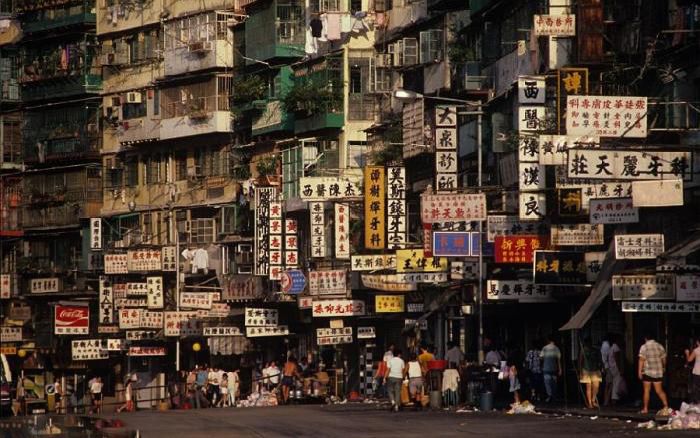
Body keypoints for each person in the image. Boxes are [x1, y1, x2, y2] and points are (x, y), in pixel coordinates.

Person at [638, 332, 670, 415]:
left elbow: (641, 360)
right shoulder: (660, 346)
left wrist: (639, 372)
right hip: (658, 372)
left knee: (646, 390)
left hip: (648, 372)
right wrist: (663, 368)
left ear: (645, 338)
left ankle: (645, 408)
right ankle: (666, 406)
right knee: (659, 390)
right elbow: (664, 359)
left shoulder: (644, 347)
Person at [579, 337, 602, 409]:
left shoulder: (595, 350)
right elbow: (580, 361)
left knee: (596, 386)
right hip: (586, 370)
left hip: (595, 369)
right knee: (588, 387)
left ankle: (593, 399)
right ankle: (589, 403)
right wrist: (580, 371)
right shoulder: (583, 351)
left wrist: (601, 366)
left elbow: (599, 359)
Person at [541, 335, 562, 403]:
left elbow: (541, 358)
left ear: (548, 340)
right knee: (554, 383)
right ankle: (553, 396)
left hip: (546, 368)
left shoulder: (544, 348)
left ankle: (549, 395)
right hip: (554, 368)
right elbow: (558, 360)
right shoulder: (556, 348)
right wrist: (560, 369)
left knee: (547, 383)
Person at [607, 335, 625, 405]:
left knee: (615, 383)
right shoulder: (616, 347)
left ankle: (613, 399)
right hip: (616, 368)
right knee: (617, 383)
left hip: (612, 368)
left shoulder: (611, 348)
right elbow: (617, 359)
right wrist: (620, 368)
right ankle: (615, 399)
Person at [685, 338, 700, 403]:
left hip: (697, 371)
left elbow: (689, 360)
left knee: (695, 388)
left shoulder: (696, 350)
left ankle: (697, 403)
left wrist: (687, 353)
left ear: (697, 342)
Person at [600, 334, 612, 406]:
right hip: (607, 367)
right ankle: (606, 401)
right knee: (609, 384)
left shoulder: (603, 345)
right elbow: (607, 357)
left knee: (607, 384)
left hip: (605, 366)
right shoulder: (606, 346)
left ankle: (606, 400)